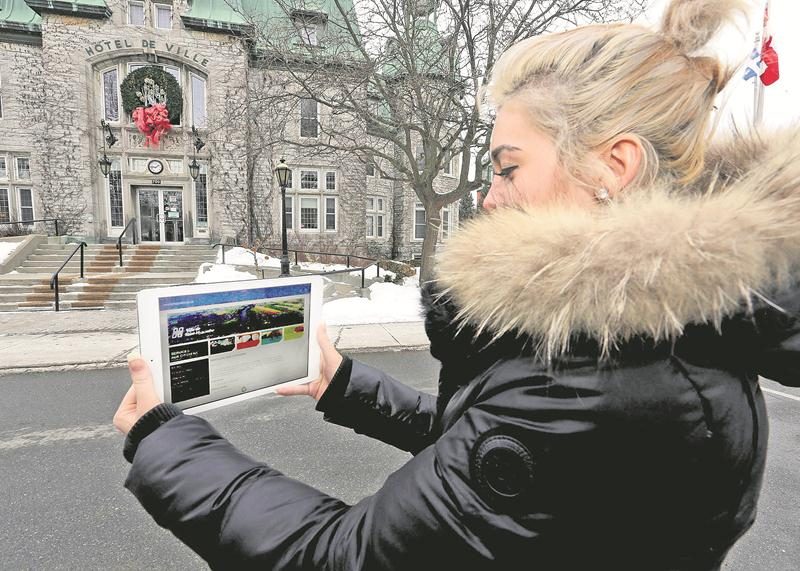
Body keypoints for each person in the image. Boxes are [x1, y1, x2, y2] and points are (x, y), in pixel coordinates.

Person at [115, 0, 800, 568]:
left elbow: (343, 557)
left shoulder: (600, 372)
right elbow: (497, 455)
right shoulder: (671, 328)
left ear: (612, 167)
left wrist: (163, 439)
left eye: (507, 168)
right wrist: (345, 386)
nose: (489, 197)